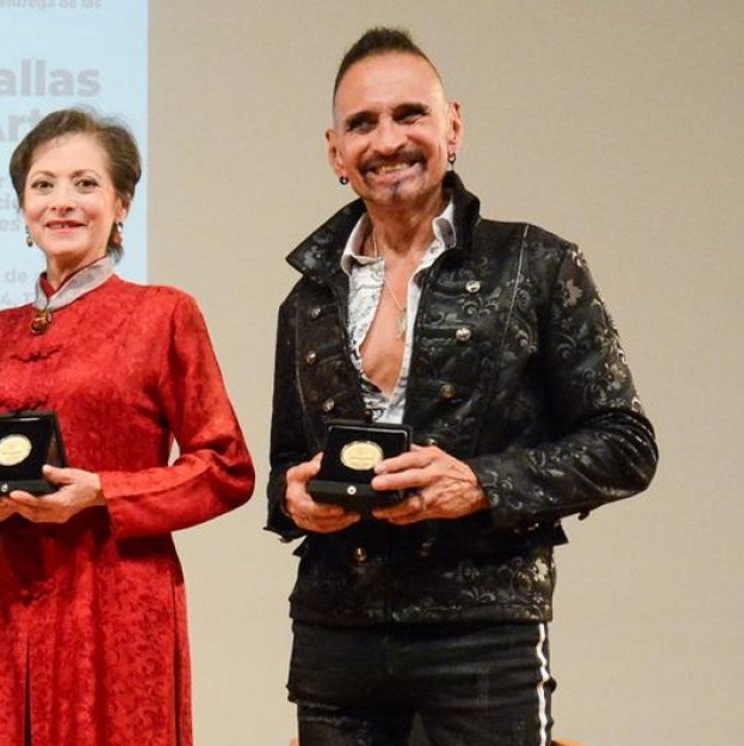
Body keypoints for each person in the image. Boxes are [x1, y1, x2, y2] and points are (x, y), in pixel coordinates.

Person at [268, 27, 659, 746]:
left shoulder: (537, 265)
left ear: (453, 128)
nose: (387, 140)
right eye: (362, 123)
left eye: (409, 114)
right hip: (335, 636)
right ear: (335, 153)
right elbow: (286, 468)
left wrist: (480, 483)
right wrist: (293, 498)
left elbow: (625, 445)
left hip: (482, 635)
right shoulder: (308, 298)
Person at [0, 108, 255, 746]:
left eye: (85, 184)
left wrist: (103, 491)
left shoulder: (163, 314)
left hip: (119, 594)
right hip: (15, 595)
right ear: (22, 208)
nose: (62, 202)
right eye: (43, 185)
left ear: (121, 204)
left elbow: (227, 467)